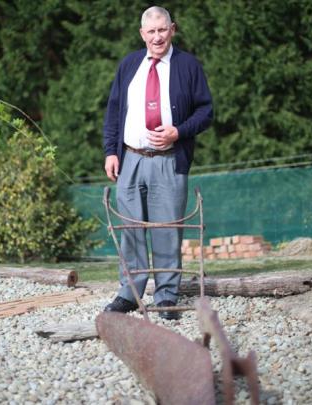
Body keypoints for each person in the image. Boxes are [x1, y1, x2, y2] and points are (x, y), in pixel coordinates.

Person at [103, 6, 213, 320]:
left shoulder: (188, 65)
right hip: (130, 159)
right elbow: (113, 112)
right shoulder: (129, 65)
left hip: (168, 160)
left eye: (162, 30)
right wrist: (111, 151)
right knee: (131, 230)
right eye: (151, 31)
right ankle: (130, 294)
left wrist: (178, 132)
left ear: (172, 30)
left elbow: (206, 112)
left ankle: (166, 298)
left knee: (167, 230)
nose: (157, 37)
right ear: (142, 34)